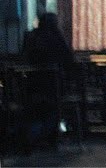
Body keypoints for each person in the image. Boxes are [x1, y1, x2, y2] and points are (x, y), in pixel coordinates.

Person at [21, 12, 76, 149]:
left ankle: (32, 137)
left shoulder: (31, 37)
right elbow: (69, 61)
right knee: (54, 107)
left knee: (34, 110)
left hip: (32, 85)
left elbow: (25, 58)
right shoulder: (56, 38)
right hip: (53, 85)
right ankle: (51, 137)